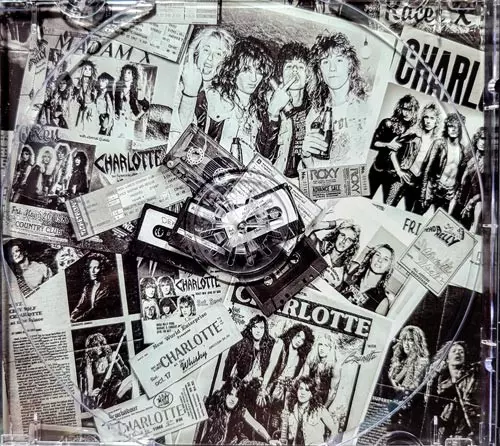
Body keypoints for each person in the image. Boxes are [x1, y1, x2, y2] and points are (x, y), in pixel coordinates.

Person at [194, 36, 276, 165]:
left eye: (259, 71)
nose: (254, 78)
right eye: (246, 70)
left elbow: (267, 157)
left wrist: (273, 116)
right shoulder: (212, 98)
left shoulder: (261, 111)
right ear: (234, 69)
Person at [301, 32, 368, 167]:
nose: (332, 68)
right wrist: (306, 156)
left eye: (339, 60)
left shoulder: (367, 106)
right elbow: (313, 170)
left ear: (350, 66)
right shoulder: (315, 114)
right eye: (326, 62)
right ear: (320, 71)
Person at [174, 27, 235, 133]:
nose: (210, 58)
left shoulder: (225, 99)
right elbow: (180, 133)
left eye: (218, 54)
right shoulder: (177, 88)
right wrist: (190, 92)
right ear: (196, 53)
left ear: (224, 63)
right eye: (206, 50)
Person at [257, 324, 315, 432]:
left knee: (277, 424)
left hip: (287, 393)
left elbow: (299, 377)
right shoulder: (281, 344)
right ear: (292, 334)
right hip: (272, 387)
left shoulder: (301, 356)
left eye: (302, 340)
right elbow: (271, 366)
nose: (299, 340)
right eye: (298, 336)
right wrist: (263, 389)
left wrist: (291, 388)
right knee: (262, 417)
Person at [265, 42, 311, 178]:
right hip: (271, 176)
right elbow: (263, 153)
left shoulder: (314, 110)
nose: (295, 70)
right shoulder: (267, 103)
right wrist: (273, 113)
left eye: (301, 67)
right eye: (289, 66)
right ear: (280, 76)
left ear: (308, 77)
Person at [386, 103, 442, 212]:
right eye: (426, 117)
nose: (428, 121)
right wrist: (399, 171)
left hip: (418, 182)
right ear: (422, 118)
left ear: (437, 121)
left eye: (432, 118)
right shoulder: (413, 134)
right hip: (403, 176)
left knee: (409, 213)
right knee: (388, 207)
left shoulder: (437, 143)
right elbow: (392, 151)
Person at [368, 95, 420, 203]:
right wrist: (387, 144)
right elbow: (373, 143)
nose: (407, 113)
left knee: (388, 207)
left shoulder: (412, 132)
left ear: (415, 112)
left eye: (410, 110)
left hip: (394, 176)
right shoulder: (388, 123)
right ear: (400, 108)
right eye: (405, 109)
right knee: (363, 200)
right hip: (378, 169)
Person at [199, 377, 280, 445]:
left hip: (236, 442)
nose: (233, 399)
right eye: (230, 394)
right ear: (225, 394)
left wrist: (269, 439)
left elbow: (256, 426)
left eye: (236, 396)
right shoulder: (214, 405)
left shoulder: (240, 409)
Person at [426, 341, 479, 442]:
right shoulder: (441, 380)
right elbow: (429, 401)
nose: (458, 353)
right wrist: (433, 374)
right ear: (447, 358)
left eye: (461, 352)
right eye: (453, 351)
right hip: (445, 428)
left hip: (467, 428)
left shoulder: (472, 375)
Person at [418, 113, 468, 214]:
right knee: (417, 214)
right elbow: (427, 168)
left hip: (448, 192)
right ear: (447, 127)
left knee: (439, 221)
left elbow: (460, 175)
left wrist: (454, 190)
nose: (453, 129)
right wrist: (423, 193)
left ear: (461, 129)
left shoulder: (462, 150)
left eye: (457, 127)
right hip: (433, 188)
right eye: (451, 126)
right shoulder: (439, 143)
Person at [338, 244, 396, 316]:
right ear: (371, 258)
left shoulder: (383, 302)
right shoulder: (352, 270)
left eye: (385, 259)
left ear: (388, 268)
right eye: (378, 255)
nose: (380, 260)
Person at [80, 332, 130, 409]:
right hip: (101, 396)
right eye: (95, 345)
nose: (99, 346)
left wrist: (119, 362)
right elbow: (89, 377)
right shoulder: (89, 361)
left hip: (115, 388)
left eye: (100, 343)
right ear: (90, 347)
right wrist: (90, 393)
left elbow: (125, 374)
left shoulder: (108, 355)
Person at [283, 377, 337, 446]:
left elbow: (334, 431)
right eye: (301, 389)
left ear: (311, 394)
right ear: (297, 391)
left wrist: (329, 444)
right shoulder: (291, 410)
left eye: (307, 390)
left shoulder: (320, 410)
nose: (303, 393)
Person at [450, 127, 484, 232]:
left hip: (472, 205)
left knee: (462, 233)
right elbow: (459, 177)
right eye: (482, 138)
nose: (483, 143)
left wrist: (472, 202)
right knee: (447, 226)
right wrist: (455, 192)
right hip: (458, 200)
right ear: (477, 139)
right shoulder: (469, 156)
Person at [308, 219, 361, 288]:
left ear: (352, 245)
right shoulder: (319, 247)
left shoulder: (345, 270)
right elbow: (311, 228)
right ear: (336, 235)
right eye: (342, 235)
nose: (344, 241)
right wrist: (334, 223)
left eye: (349, 239)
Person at [70, 254, 116, 322]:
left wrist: (77, 320)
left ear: (103, 269)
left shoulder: (106, 288)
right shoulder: (88, 287)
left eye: (96, 267)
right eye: (90, 267)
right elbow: (80, 306)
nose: (93, 271)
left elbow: (95, 310)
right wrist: (72, 316)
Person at [299, 336, 341, 409]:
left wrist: (323, 409)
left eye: (326, 345)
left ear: (330, 349)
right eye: (320, 344)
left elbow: (333, 392)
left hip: (321, 399)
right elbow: (304, 379)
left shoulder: (335, 366)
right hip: (307, 393)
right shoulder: (311, 357)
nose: (322, 348)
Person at [388, 326, 429, 392]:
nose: (406, 344)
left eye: (410, 340)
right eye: (404, 340)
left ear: (417, 342)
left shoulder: (422, 361)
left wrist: (393, 381)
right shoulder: (404, 360)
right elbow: (395, 380)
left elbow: (414, 387)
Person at [114, 64, 150, 139]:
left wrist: (137, 117)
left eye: (129, 73)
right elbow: (116, 101)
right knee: (115, 137)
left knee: (127, 138)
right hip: (119, 118)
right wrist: (116, 112)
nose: (125, 74)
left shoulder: (136, 90)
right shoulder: (118, 87)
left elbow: (146, 105)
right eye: (124, 72)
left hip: (129, 118)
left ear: (133, 75)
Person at [74, 60, 97, 130]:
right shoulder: (79, 82)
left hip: (90, 104)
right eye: (85, 69)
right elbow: (77, 93)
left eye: (90, 69)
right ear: (82, 70)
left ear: (92, 71)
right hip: (80, 104)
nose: (87, 71)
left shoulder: (93, 83)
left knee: (87, 123)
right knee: (78, 123)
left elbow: (95, 94)